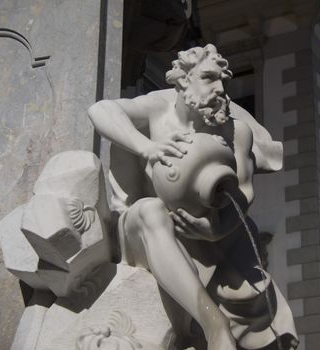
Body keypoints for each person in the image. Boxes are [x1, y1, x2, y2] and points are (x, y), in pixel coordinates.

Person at [88, 44, 297, 350]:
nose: (219, 90)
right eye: (209, 78)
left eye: (223, 81)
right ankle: (213, 325)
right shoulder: (158, 109)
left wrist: (217, 230)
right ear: (183, 80)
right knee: (151, 210)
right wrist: (147, 146)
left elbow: (244, 191)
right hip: (142, 231)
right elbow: (100, 110)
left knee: (244, 244)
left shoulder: (235, 131)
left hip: (205, 230)